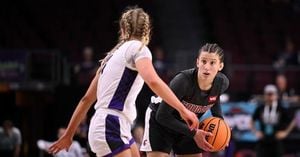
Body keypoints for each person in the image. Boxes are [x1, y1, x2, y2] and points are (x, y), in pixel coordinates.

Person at [48, 7, 199, 157]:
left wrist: (69, 134)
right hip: (110, 123)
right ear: (147, 30)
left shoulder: (110, 57)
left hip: (111, 124)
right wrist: (182, 109)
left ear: (122, 28)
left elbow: (86, 99)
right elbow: (153, 81)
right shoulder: (139, 49)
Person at [140, 43, 230, 157]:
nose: (207, 67)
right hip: (160, 120)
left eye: (212, 63)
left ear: (220, 66)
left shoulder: (222, 83)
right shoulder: (183, 81)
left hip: (189, 125)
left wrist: (221, 125)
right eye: (203, 61)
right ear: (197, 62)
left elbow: (214, 100)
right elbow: (162, 115)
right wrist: (194, 133)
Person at [251, 84, 296, 157]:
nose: (270, 97)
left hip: (276, 141)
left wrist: (285, 132)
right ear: (265, 95)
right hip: (263, 141)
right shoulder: (260, 108)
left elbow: (293, 121)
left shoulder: (281, 108)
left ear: (276, 95)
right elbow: (251, 120)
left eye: (272, 94)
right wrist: (255, 132)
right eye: (268, 94)